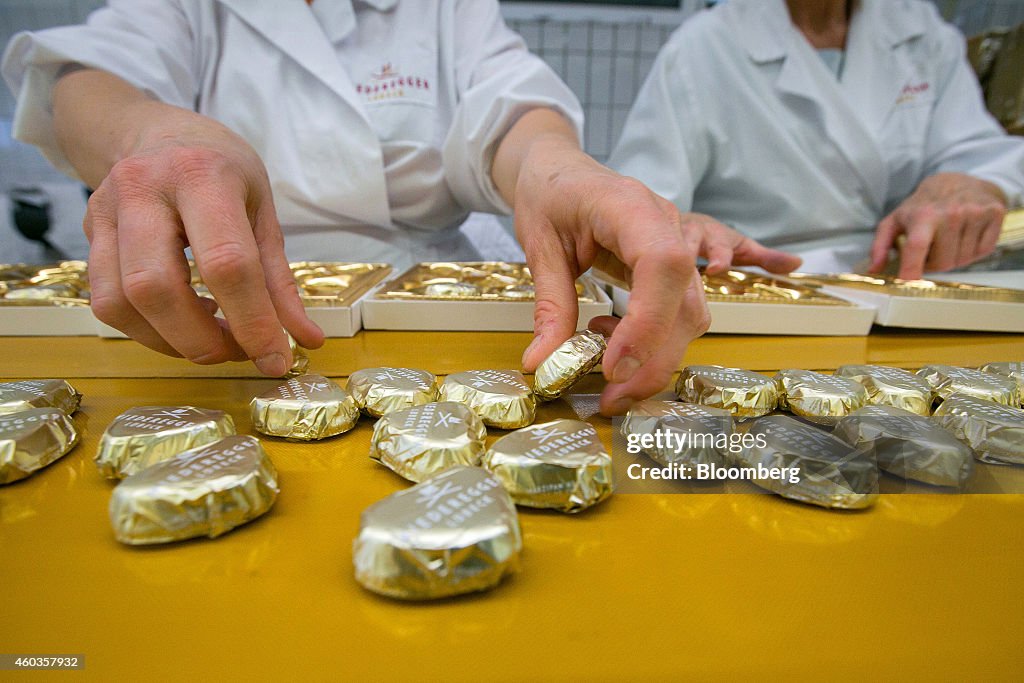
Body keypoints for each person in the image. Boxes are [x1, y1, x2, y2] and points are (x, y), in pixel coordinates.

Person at [2, 0, 799, 415]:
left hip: (446, 322)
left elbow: (509, 109)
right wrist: (156, 136)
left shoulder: (441, 7)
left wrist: (558, 171)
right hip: (222, 330)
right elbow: (82, 80)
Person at [610, 0, 1024, 279]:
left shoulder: (920, 28)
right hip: (766, 291)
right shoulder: (703, 46)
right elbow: (639, 207)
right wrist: (681, 226)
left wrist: (972, 183)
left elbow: (980, 153)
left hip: (907, 286)